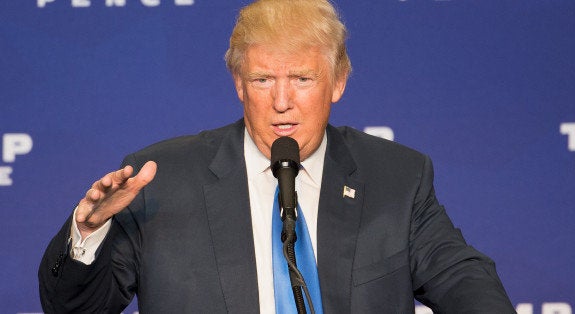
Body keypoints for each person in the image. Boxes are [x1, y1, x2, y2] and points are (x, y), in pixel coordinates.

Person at [39, 0, 515, 313]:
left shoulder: (396, 177)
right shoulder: (162, 180)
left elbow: (462, 279)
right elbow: (74, 309)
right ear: (239, 85)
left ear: (339, 82)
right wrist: (88, 232)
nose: (281, 101)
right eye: (264, 80)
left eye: (303, 79)